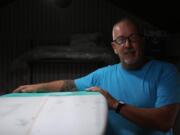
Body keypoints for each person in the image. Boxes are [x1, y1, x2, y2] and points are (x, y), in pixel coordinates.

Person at [13, 18, 180, 135]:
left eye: (133, 38)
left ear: (142, 41)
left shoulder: (165, 72)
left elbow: (164, 121)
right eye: (121, 40)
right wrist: (34, 87)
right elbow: (68, 84)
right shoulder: (103, 75)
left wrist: (116, 105)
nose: (127, 45)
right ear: (114, 47)